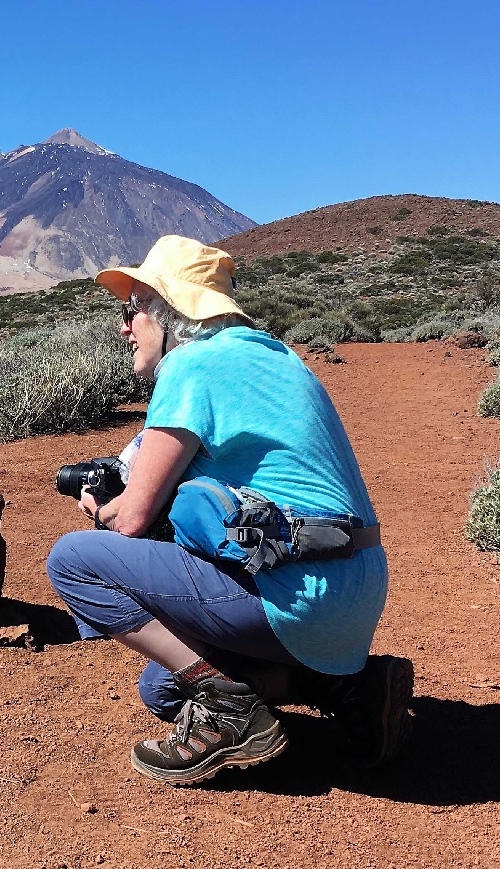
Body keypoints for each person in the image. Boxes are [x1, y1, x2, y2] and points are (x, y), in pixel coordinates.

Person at [45, 234, 412, 786]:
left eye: (134, 309)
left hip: (298, 591)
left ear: (172, 312)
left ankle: (227, 704)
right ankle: (349, 688)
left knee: (73, 560)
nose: (124, 327)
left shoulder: (191, 366)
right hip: (355, 590)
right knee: (162, 687)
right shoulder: (279, 356)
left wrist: (100, 510)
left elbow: (133, 520)